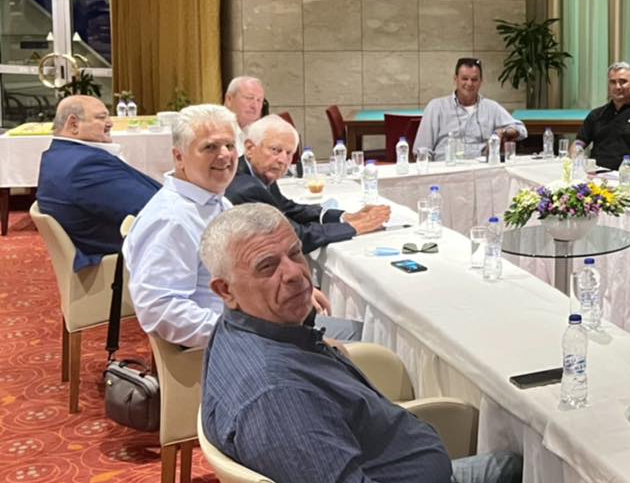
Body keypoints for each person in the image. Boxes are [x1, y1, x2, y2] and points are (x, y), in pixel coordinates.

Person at [199, 203, 568, 483]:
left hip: (403, 475)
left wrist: (311, 335)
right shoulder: (276, 392)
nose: (294, 273)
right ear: (225, 290)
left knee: (513, 469)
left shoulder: (242, 328)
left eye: (295, 253)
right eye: (267, 267)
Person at [125, 105, 353, 348]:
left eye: (230, 145)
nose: (225, 155)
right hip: (244, 345)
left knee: (359, 333)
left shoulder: (214, 200)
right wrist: (252, 333)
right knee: (371, 347)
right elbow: (159, 310)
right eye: (210, 147)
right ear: (179, 157)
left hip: (262, 325)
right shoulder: (171, 220)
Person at [226, 115, 390, 253]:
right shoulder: (245, 187)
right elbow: (293, 237)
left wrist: (344, 217)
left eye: (289, 153)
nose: (283, 160)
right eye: (275, 150)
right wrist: (356, 226)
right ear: (250, 148)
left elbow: (287, 208)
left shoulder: (258, 171)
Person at [36, 94, 160, 270]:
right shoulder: (83, 167)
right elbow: (151, 208)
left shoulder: (59, 155)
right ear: (73, 124)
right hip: (128, 259)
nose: (110, 123)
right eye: (101, 118)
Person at [414, 58, 527, 160]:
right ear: (455, 79)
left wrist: (503, 132)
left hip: (482, 169)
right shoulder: (436, 107)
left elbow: (521, 130)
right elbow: (421, 149)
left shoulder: (491, 107)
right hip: (446, 168)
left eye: (474, 79)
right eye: (464, 78)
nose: (469, 83)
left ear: (481, 82)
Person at [572, 62, 630, 171]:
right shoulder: (596, 114)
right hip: (596, 174)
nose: (618, 87)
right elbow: (579, 143)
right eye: (613, 82)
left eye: (623, 82)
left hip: (629, 175)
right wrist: (574, 163)